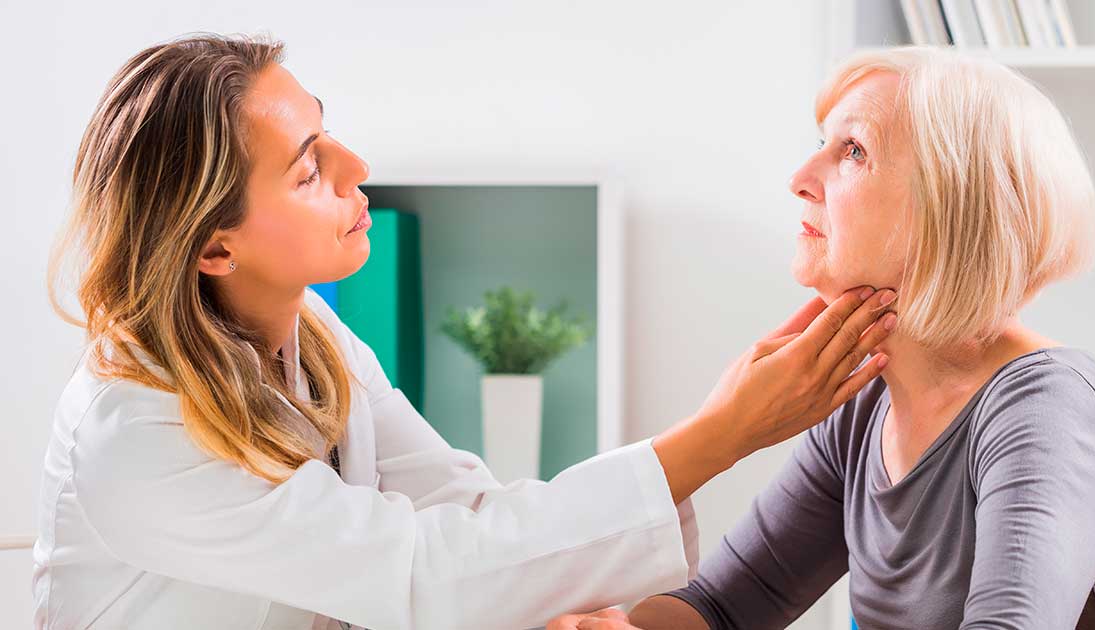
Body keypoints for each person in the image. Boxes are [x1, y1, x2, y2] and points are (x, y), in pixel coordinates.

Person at [31, 33, 896, 630]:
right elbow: (422, 577)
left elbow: (467, 515)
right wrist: (725, 433)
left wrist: (545, 593)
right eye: (307, 167)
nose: (355, 168)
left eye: (326, 132)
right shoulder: (136, 428)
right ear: (216, 245)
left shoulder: (315, 336)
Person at [552, 46, 1095, 630]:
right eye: (821, 144)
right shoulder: (864, 405)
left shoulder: (1046, 410)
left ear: (952, 206)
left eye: (853, 149)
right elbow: (724, 607)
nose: (800, 176)